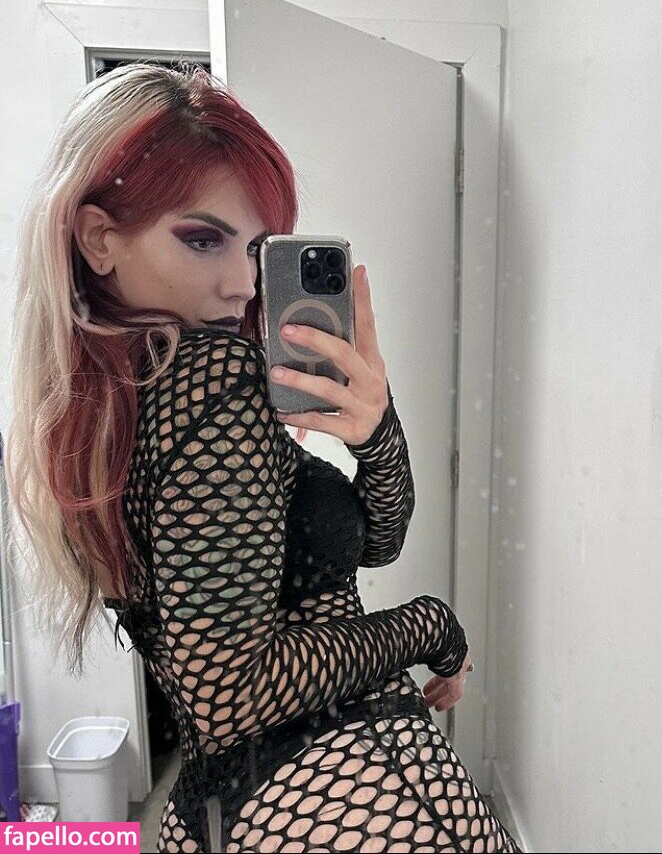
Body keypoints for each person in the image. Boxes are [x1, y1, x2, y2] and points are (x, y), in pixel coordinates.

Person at [5, 62, 522, 853]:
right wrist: (428, 626)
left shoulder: (107, 407)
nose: (242, 284)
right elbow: (231, 693)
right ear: (99, 239)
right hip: (333, 788)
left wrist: (375, 431)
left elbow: (377, 541)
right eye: (201, 239)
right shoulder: (214, 380)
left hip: (251, 801)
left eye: (256, 248)